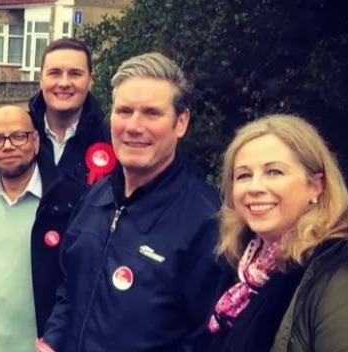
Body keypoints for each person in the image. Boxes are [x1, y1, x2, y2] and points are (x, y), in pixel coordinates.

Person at [39, 52, 224, 351]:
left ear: (181, 122)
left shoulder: (207, 222)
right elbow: (70, 286)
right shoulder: (95, 197)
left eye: (151, 113)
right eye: (124, 111)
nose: (134, 127)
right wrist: (54, 339)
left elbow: (207, 339)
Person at [0, 106, 86, 351]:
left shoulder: (68, 204)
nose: (7, 146)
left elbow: (77, 285)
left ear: (36, 141)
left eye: (18, 136)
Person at [208, 114, 348, 352]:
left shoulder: (335, 268)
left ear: (316, 186)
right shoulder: (243, 269)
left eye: (274, 172)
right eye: (244, 175)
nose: (255, 188)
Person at [29, 38, 112, 184]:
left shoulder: (111, 140)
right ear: (41, 80)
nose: (64, 83)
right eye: (54, 73)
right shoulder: (18, 135)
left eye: (75, 73)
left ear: (90, 81)